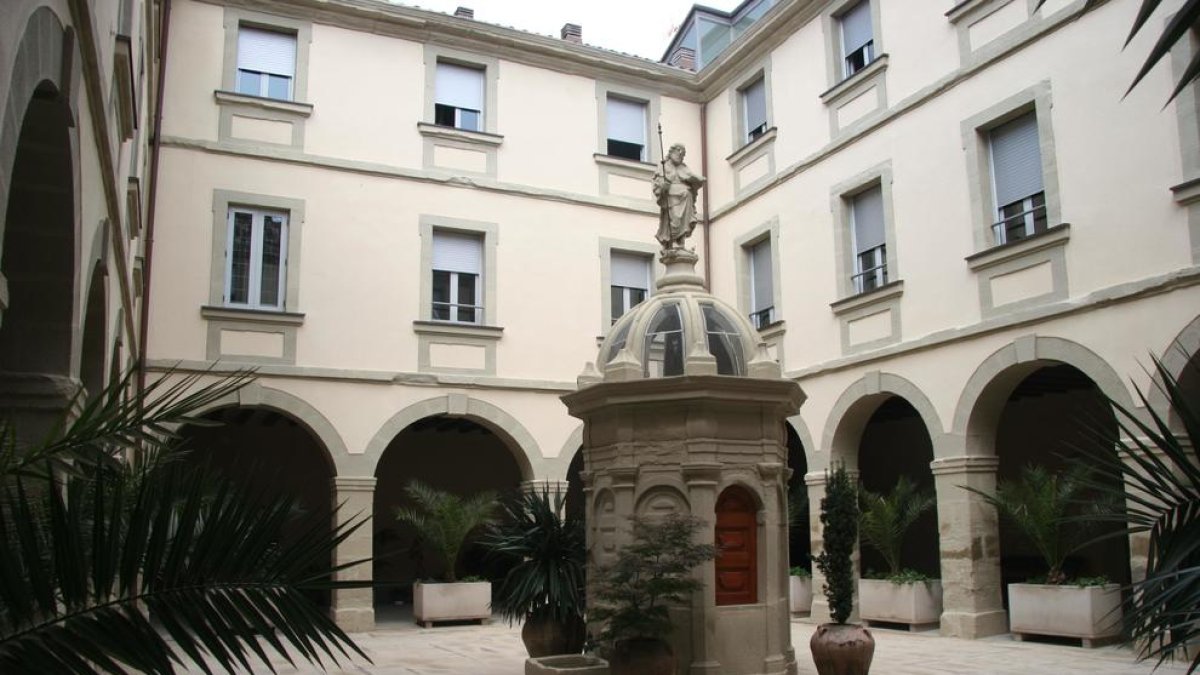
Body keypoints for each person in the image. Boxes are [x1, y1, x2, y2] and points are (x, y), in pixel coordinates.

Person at [653, 143, 706, 250]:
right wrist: (664, 185)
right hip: (672, 198)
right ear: (672, 152)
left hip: (686, 198)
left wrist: (698, 180)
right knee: (675, 219)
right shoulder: (663, 166)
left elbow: (691, 177)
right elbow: (658, 184)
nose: (681, 157)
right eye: (679, 153)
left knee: (684, 221)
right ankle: (673, 242)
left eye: (683, 156)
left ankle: (680, 242)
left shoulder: (683, 167)